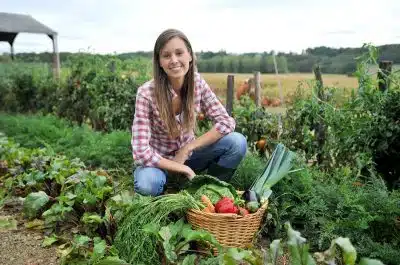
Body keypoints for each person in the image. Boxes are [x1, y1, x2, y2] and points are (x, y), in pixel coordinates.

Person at [131, 28, 247, 196]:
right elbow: (141, 152)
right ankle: (168, 190)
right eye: (166, 55)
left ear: (190, 56)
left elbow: (226, 122)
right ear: (159, 62)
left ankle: (205, 191)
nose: (174, 60)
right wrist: (181, 167)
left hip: (190, 157)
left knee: (237, 143)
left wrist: (187, 148)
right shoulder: (146, 93)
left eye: (179, 53)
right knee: (148, 184)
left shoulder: (197, 83)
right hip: (158, 163)